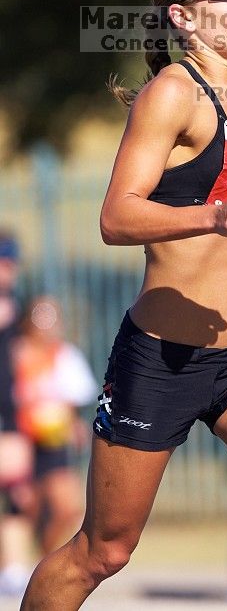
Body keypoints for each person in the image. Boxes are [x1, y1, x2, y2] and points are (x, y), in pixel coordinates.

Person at [21, 0, 227, 610]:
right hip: (162, 360)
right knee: (103, 551)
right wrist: (214, 215)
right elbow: (117, 216)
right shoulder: (171, 96)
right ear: (183, 18)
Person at [12, 296, 97, 556]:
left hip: (53, 442)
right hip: (20, 440)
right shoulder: (13, 353)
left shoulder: (63, 354)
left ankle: (44, 559)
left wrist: (74, 423)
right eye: (40, 314)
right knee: (26, 507)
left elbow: (75, 396)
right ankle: (14, 563)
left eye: (51, 316)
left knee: (67, 507)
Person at [0, 231, 34, 597]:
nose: (7, 271)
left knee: (18, 492)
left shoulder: (18, 307)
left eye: (11, 264)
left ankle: (13, 566)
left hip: (12, 412)